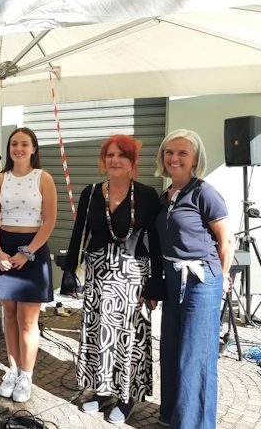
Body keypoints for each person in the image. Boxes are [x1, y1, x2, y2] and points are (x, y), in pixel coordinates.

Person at [62, 134, 164, 424]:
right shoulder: (91, 192)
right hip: (98, 272)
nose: (115, 160)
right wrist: (70, 271)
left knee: (129, 336)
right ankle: (101, 391)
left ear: (133, 162)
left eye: (123, 156)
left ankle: (127, 396)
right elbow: (79, 232)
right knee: (99, 334)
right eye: (110, 155)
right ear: (103, 160)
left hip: (133, 274)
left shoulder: (146, 195)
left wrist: (156, 282)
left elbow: (155, 242)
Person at [155, 129, 233, 428]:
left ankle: (194, 423)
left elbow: (226, 241)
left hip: (202, 282)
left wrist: (222, 279)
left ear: (195, 159)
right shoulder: (167, 196)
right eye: (169, 152)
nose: (174, 158)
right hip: (174, 279)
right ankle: (172, 416)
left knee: (195, 356)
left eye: (182, 153)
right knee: (172, 350)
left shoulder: (204, 192)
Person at [0, 127, 57, 403]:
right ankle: (13, 370)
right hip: (3, 247)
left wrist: (27, 252)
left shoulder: (44, 178)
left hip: (33, 248)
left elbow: (49, 219)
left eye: (24, 144)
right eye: (14, 143)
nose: (18, 148)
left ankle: (27, 374)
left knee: (28, 320)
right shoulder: (0, 178)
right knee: (9, 315)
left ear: (33, 149)